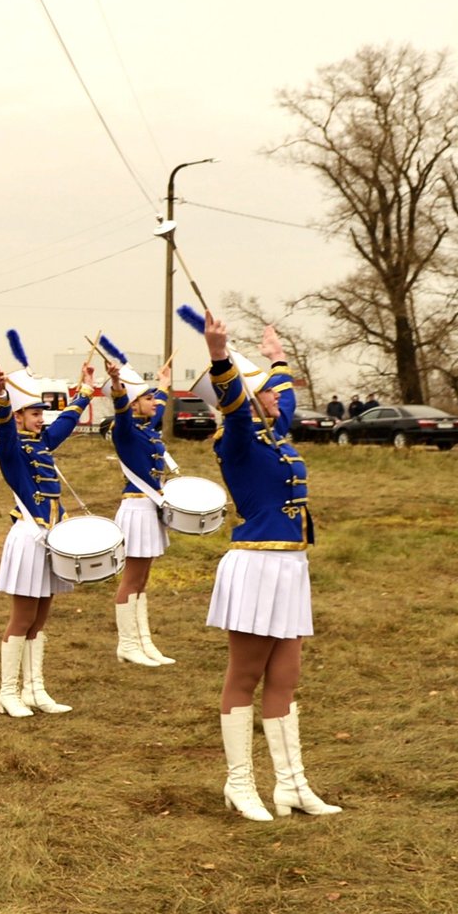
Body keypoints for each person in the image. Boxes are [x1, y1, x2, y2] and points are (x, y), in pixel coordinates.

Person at [199, 312, 340, 821]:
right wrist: (220, 355)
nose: (279, 396)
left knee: (286, 675)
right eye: (268, 392)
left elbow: (285, 394)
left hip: (290, 568)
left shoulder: (275, 434)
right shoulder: (236, 440)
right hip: (256, 566)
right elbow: (235, 407)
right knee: (245, 674)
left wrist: (276, 355)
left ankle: (291, 785)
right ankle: (239, 783)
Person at [0, 334, 98, 718]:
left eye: (41, 413)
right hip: (28, 536)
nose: (41, 419)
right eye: (34, 414)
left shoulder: (41, 443)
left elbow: (66, 422)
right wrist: (1, 398)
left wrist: (84, 390)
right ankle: (8, 692)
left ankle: (35, 688)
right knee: (22, 617)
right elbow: (3, 430)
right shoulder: (11, 449)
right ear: (19, 416)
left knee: (41, 616)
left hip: (53, 535)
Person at [101, 349, 177, 668]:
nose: (155, 403)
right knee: (131, 579)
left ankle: (144, 641)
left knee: (143, 579)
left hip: (150, 508)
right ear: (133, 404)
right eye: (148, 399)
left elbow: (156, 412)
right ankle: (127, 643)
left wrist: (164, 385)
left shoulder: (145, 429)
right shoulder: (126, 430)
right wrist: (118, 385)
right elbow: (121, 412)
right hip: (135, 509)